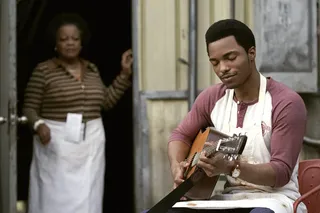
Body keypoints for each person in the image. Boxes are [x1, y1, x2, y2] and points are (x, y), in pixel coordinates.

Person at [157, 19, 307, 213]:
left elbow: (280, 173)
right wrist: (177, 166)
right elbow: (180, 136)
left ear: (251, 53)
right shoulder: (212, 98)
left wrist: (229, 167)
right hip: (229, 199)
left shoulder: (285, 102)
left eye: (230, 57)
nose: (222, 68)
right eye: (215, 62)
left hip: (277, 200)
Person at [23, 13, 133, 213]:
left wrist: (124, 75)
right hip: (55, 142)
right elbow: (29, 108)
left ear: (82, 43)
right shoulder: (44, 71)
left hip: (91, 141)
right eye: (64, 39)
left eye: (75, 39)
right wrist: (38, 125)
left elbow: (106, 102)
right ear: (55, 44)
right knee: (53, 195)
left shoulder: (92, 70)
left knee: (88, 194)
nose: (70, 43)